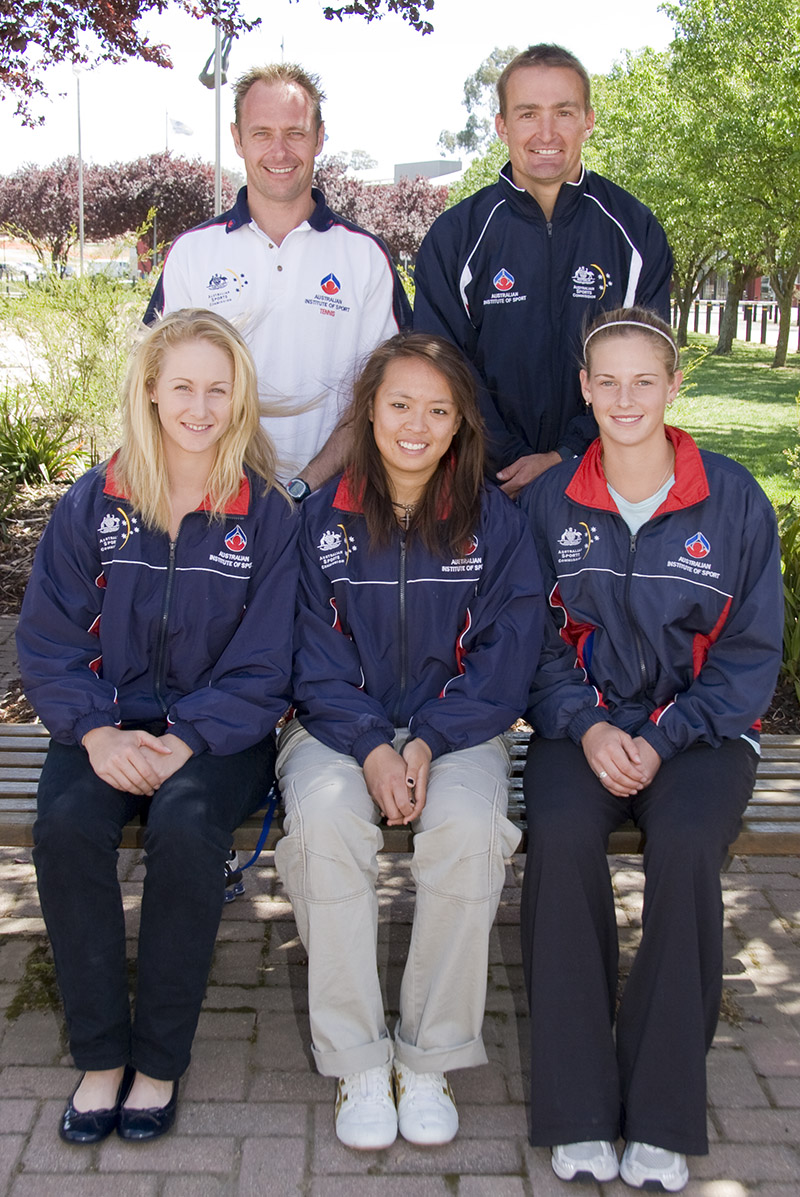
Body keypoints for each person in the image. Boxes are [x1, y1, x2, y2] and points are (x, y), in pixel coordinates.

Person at [16, 309, 298, 1144]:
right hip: (104, 722)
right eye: (183, 387)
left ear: (239, 397)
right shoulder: (92, 500)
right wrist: (97, 732)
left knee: (185, 824)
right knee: (66, 825)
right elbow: (50, 639)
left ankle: (160, 1060)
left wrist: (188, 738)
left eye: (218, 389)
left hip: (219, 736)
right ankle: (103, 1056)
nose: (200, 408)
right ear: (150, 391)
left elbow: (269, 660)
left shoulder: (267, 514)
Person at [518, 308, 783, 1190]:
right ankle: (578, 1107)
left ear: (674, 386)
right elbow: (533, 642)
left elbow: (749, 657)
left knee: (687, 842)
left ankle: (664, 1112)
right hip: (582, 728)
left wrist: (662, 736)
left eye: (644, 381)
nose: (625, 398)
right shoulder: (551, 500)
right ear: (584, 388)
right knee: (559, 837)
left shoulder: (733, 498)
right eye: (608, 381)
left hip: (701, 733)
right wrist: (590, 723)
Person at [274, 332, 545, 1150]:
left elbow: (505, 660)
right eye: (399, 405)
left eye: (438, 409)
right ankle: (358, 1057)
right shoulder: (318, 519)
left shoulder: (495, 523)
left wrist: (426, 739)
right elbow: (307, 656)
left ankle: (429, 1056)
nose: (416, 425)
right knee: (325, 824)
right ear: (369, 411)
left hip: (458, 730)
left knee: (468, 829)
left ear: (461, 422)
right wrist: (372, 746)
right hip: (334, 728)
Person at [413, 44, 673, 498]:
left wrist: (567, 455)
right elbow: (442, 367)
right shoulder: (456, 237)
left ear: (588, 120)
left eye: (564, 112)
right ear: (502, 125)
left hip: (602, 480)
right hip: (486, 486)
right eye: (528, 113)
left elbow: (646, 367)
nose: (546, 132)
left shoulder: (635, 232)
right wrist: (506, 459)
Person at [145, 62, 410, 495]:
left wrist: (305, 485)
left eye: (295, 133)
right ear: (237, 139)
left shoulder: (365, 257)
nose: (279, 152)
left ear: (319, 138)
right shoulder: (192, 252)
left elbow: (386, 394)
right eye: (262, 133)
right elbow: (158, 388)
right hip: (217, 499)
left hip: (332, 501)